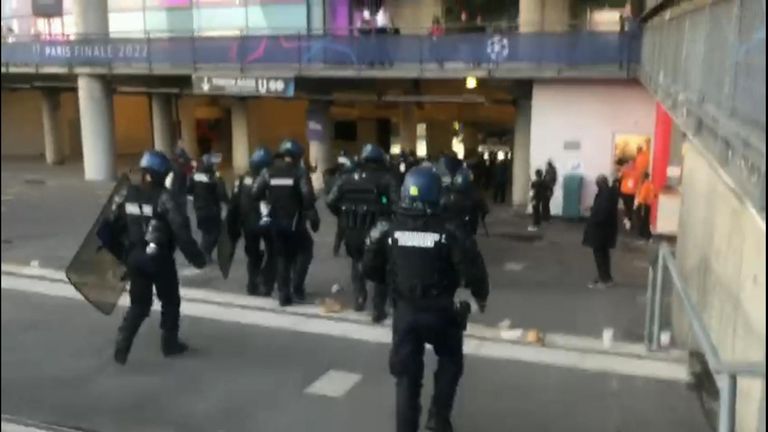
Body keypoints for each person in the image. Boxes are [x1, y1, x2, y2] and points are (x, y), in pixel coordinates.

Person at [363, 166, 489, 432]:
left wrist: (394, 284)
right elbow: (473, 269)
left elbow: (371, 268)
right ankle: (437, 418)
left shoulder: (389, 228)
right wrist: (480, 297)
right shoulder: (450, 229)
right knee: (450, 360)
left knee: (406, 378)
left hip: (406, 311)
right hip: (444, 310)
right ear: (437, 195)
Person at [110, 150, 208, 365]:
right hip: (159, 259)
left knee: (139, 305)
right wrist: (197, 259)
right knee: (171, 301)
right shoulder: (165, 198)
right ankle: (170, 344)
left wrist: (123, 257)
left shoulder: (129, 194)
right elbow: (181, 231)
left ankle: (122, 344)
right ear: (162, 174)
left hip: (135, 257)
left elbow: (114, 227)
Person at [326, 143, 399, 321]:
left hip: (352, 230)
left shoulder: (346, 178)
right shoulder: (387, 178)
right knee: (381, 268)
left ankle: (359, 298)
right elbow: (397, 205)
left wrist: (344, 215)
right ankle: (378, 308)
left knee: (356, 263)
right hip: (377, 231)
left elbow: (330, 201)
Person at [251, 139, 320, 306]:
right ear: (297, 156)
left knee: (282, 257)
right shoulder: (299, 172)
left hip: (275, 221)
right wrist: (311, 214)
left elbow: (255, 193)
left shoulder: (268, 171)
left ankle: (283, 294)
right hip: (295, 221)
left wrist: (271, 199)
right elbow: (307, 197)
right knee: (305, 251)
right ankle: (297, 288)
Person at [227, 147, 276, 296]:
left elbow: (233, 205)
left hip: (247, 223)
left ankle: (252, 285)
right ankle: (266, 282)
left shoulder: (242, 180)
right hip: (267, 223)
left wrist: (232, 227)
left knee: (253, 256)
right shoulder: (270, 179)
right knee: (273, 253)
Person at [188, 152, 228, 261]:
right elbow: (221, 193)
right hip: (212, 209)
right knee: (216, 233)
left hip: (199, 209)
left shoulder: (195, 176)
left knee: (206, 233)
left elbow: (188, 190)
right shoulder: (214, 177)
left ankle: (205, 254)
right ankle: (203, 254)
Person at [582, 175, 619, 289]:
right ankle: (605, 276)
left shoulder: (605, 195)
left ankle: (605, 279)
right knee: (603, 255)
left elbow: (602, 213)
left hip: (600, 231)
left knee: (600, 255)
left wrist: (594, 217)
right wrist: (593, 209)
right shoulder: (609, 194)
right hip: (605, 231)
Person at [441, 166, 489, 237]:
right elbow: (483, 207)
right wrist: (483, 213)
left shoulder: (449, 190)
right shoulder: (475, 191)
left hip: (452, 223)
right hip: (466, 224)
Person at [634, 172, 656, 241]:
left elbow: (643, 195)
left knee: (642, 220)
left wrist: (638, 203)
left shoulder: (645, 185)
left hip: (643, 204)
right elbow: (653, 194)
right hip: (648, 204)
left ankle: (645, 235)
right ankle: (646, 235)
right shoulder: (650, 184)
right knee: (646, 220)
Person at [618, 159, 638, 231]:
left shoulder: (636, 172)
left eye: (632, 164)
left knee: (630, 207)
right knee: (626, 206)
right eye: (629, 164)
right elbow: (619, 176)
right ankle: (627, 219)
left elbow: (638, 182)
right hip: (624, 192)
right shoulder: (625, 171)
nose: (631, 165)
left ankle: (628, 219)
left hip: (632, 193)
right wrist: (623, 169)